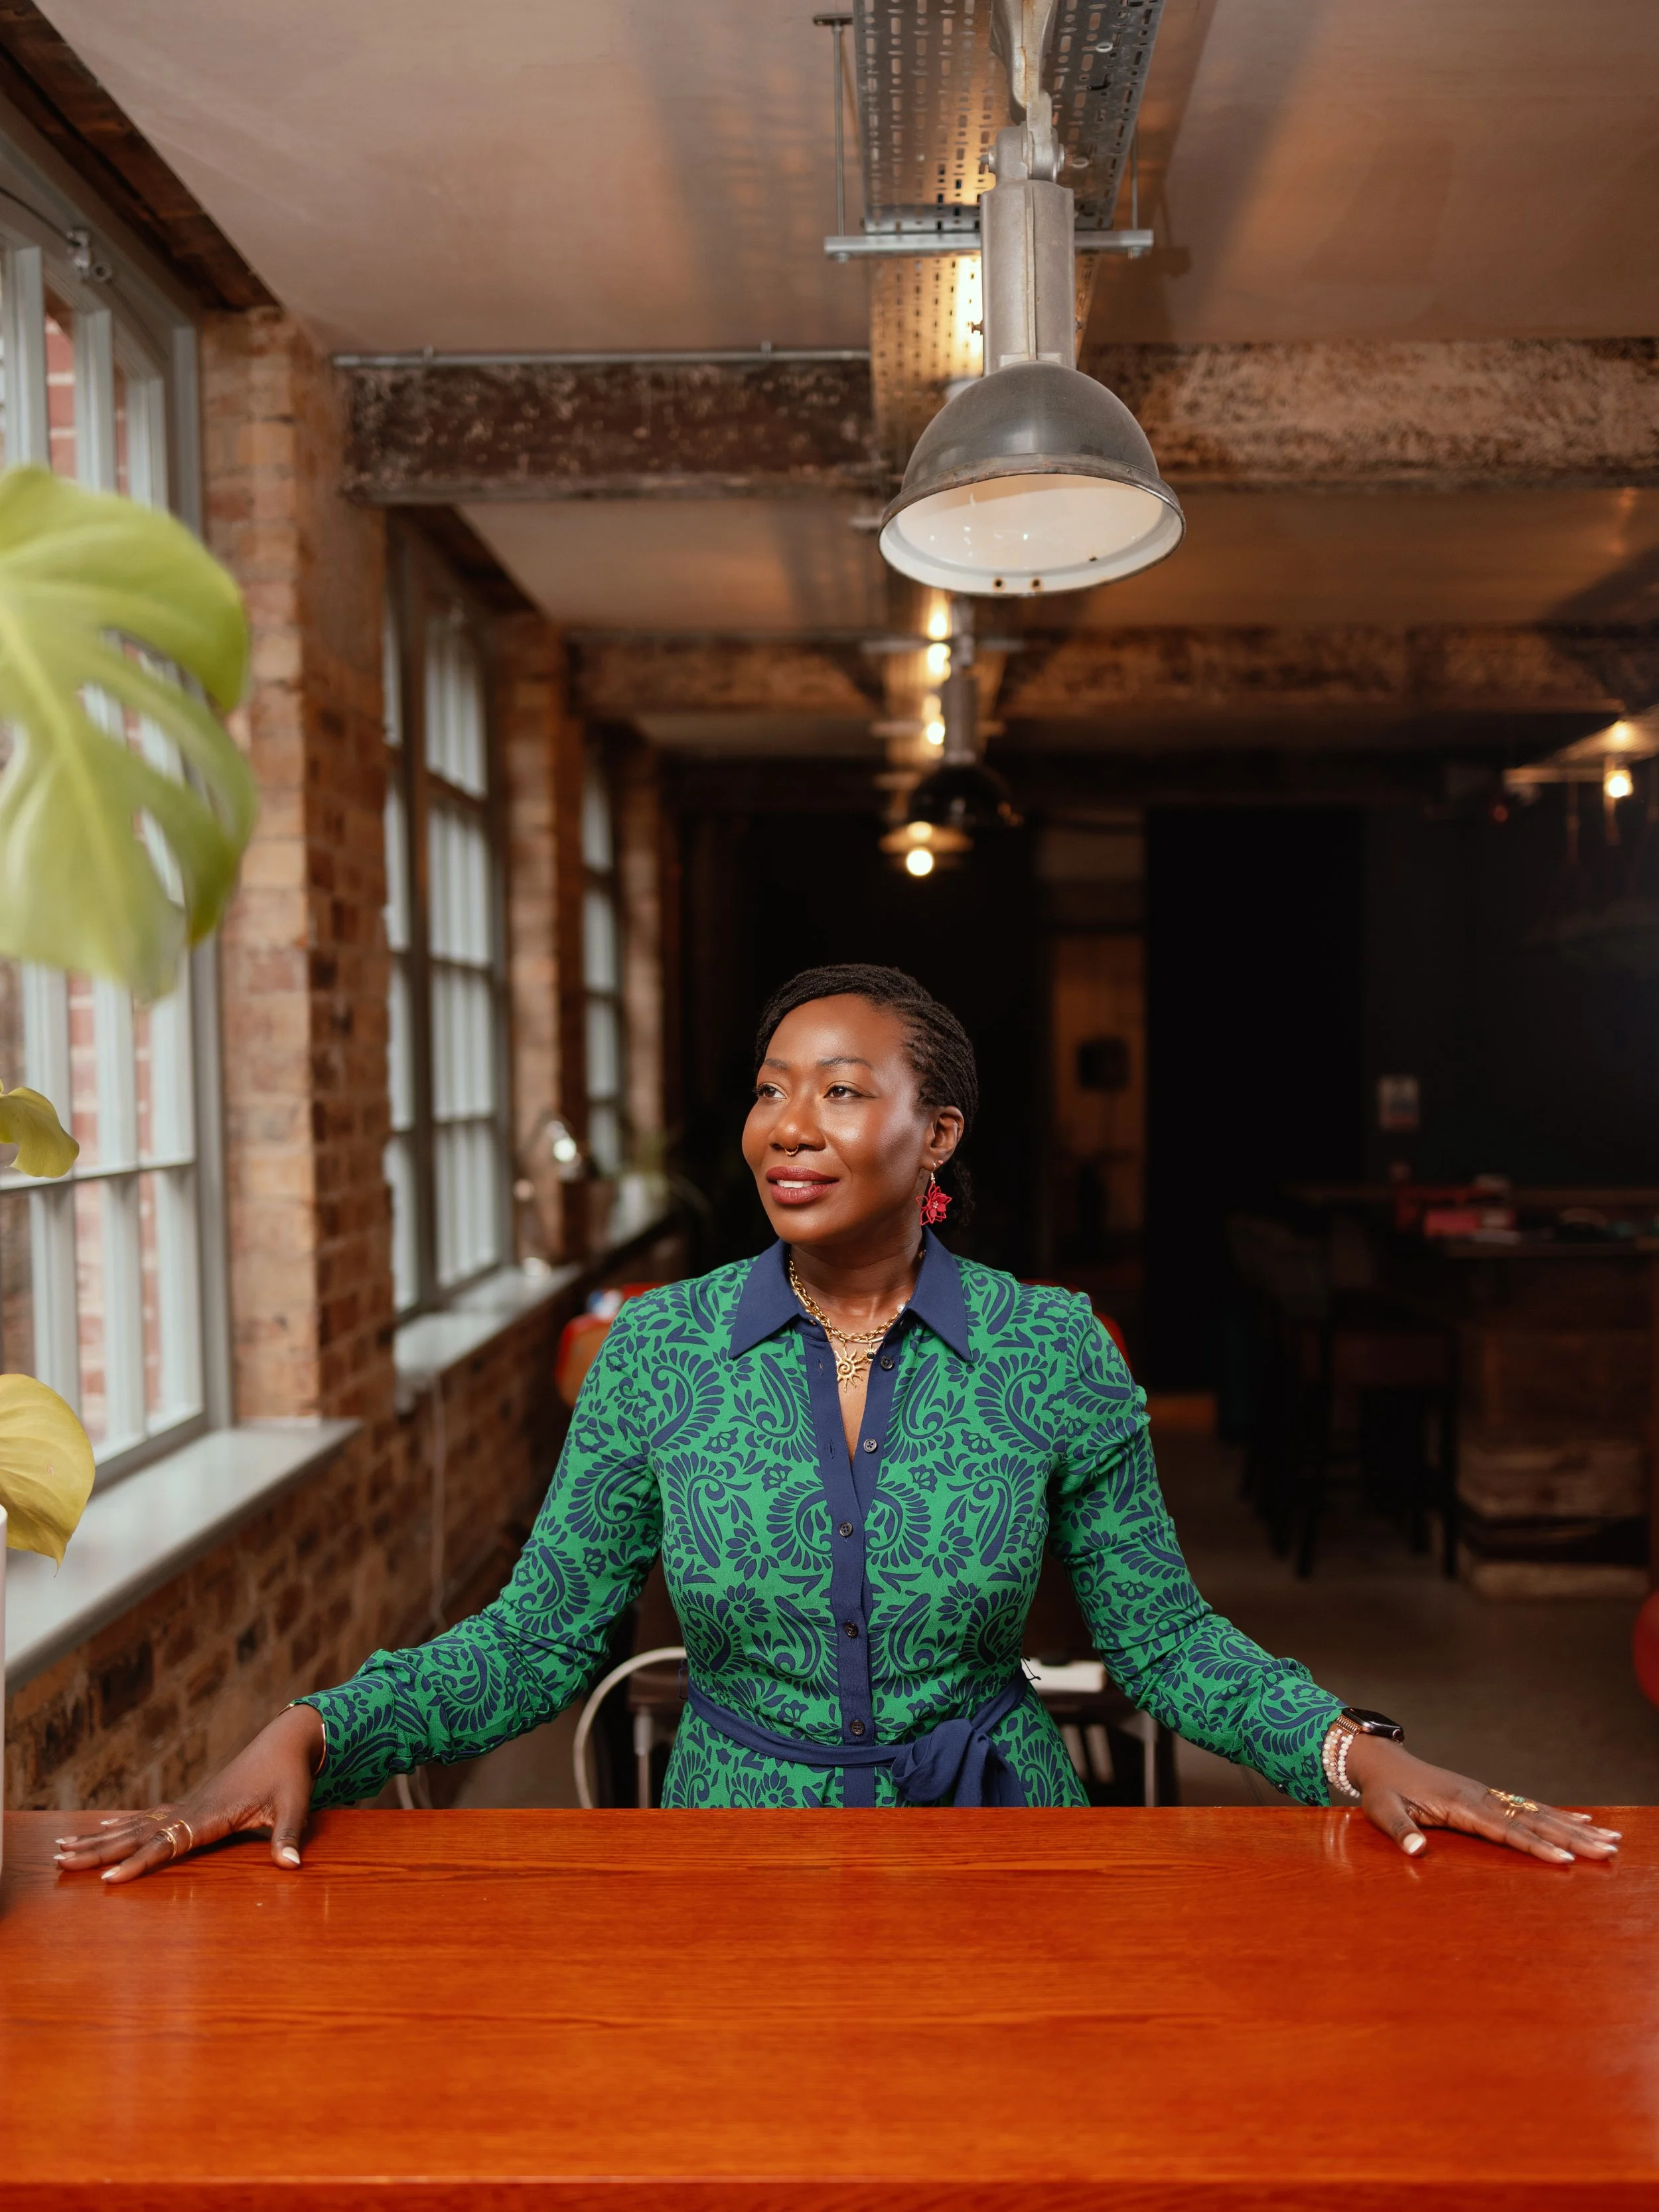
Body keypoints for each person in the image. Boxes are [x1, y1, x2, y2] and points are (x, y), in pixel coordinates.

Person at [56, 964, 1619, 1878]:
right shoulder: (655, 1355)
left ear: (934, 1131)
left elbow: (1159, 1642)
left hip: (1007, 1842)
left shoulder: (1050, 1348)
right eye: (767, 1089)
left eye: (839, 1091)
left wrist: (1351, 1749)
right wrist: (329, 1722)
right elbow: (542, 1637)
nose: (786, 1125)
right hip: (733, 1851)